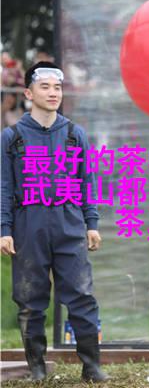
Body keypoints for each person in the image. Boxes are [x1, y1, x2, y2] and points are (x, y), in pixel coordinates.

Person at [0, 61, 109, 382]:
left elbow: (87, 182)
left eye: (57, 87)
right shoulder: (12, 137)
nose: (53, 93)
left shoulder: (75, 134)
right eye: (45, 87)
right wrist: (4, 229)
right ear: (28, 93)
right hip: (28, 224)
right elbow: (4, 186)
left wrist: (91, 223)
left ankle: (92, 365)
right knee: (29, 298)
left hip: (69, 222)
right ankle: (36, 366)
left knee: (81, 294)